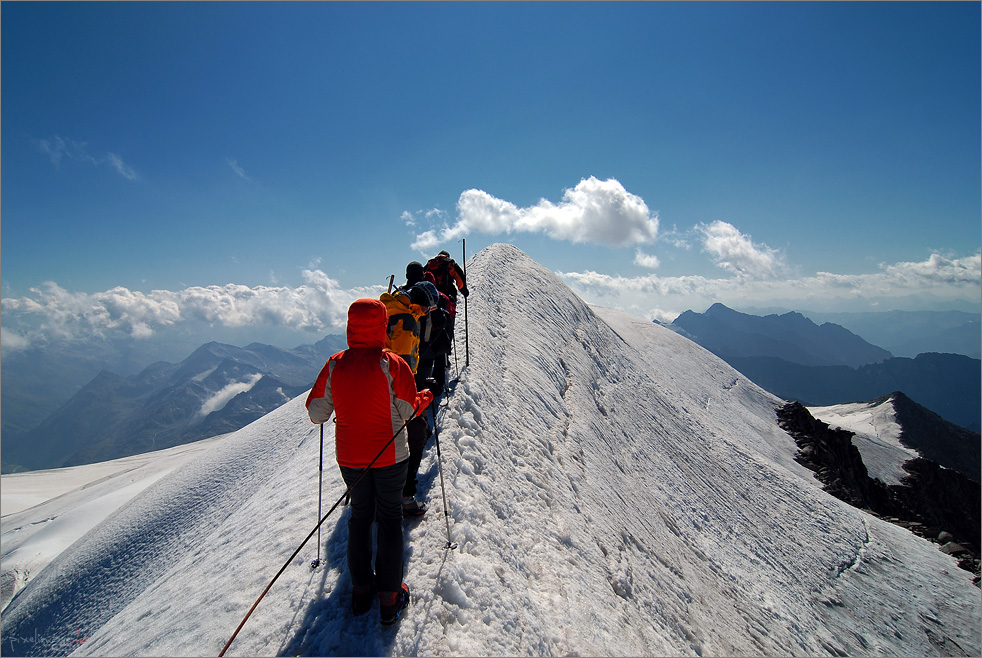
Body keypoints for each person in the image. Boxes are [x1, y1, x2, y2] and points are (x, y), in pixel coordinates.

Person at [305, 298, 433, 624]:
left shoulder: (335, 364)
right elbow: (410, 411)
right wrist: (426, 397)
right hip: (391, 456)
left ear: (350, 326)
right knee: (389, 520)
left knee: (360, 518)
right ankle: (390, 596)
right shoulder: (393, 364)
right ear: (383, 326)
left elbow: (316, 413)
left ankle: (362, 590)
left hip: (350, 458)